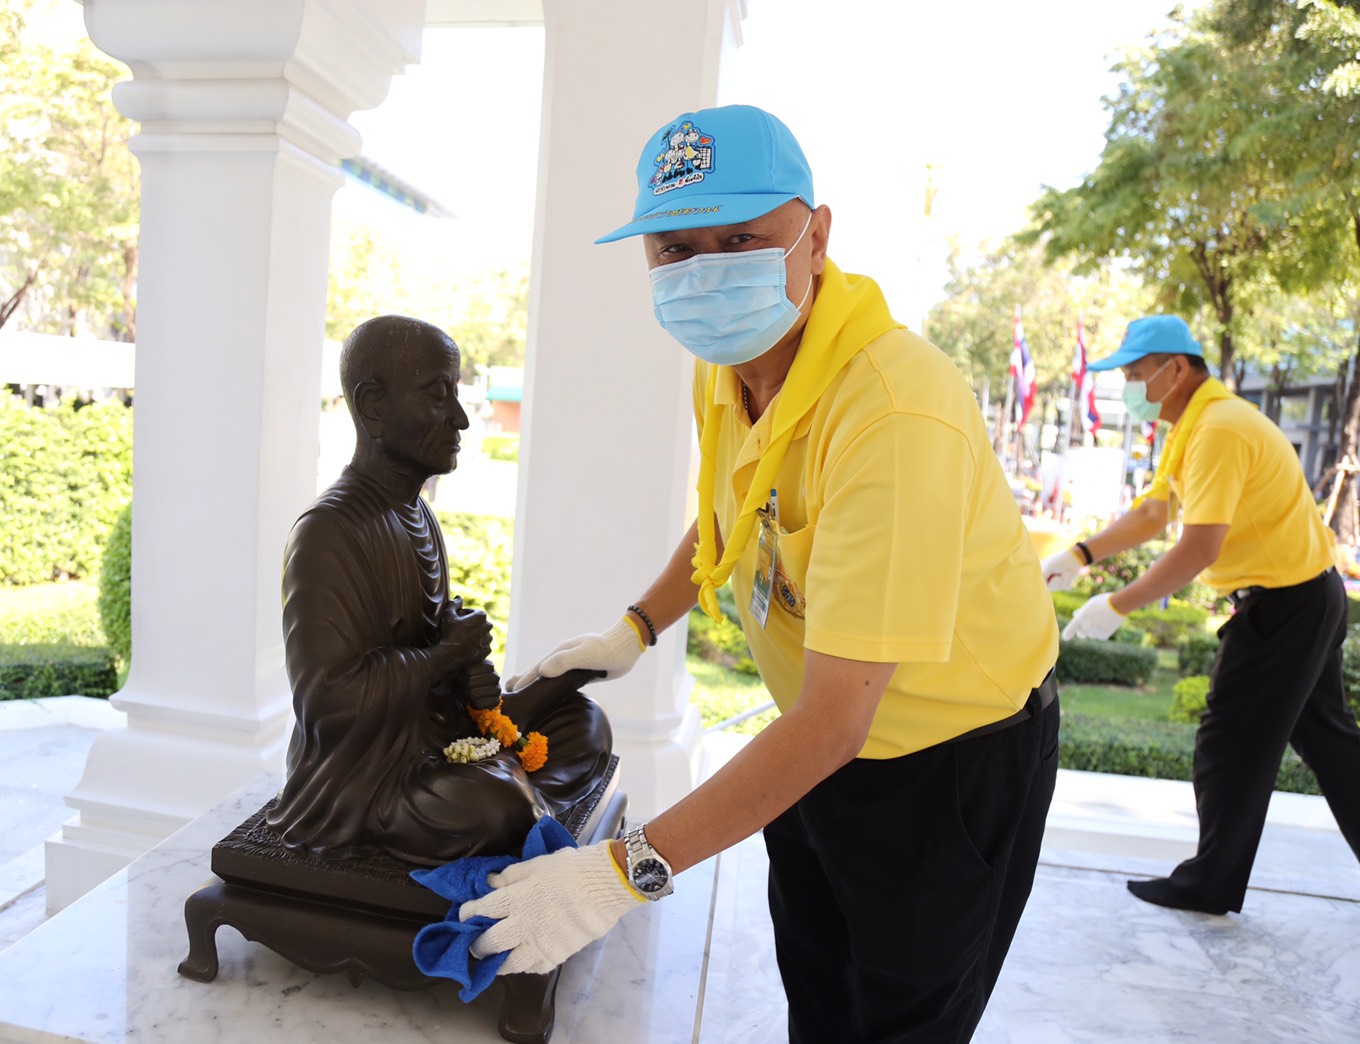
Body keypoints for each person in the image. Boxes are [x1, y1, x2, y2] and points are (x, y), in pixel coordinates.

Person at [461, 105, 1060, 1043]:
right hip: (812, 746)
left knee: (902, 1014)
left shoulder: (893, 412)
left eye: (740, 238)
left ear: (815, 237)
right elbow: (735, 514)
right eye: (674, 247)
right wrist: (636, 627)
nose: (705, 271)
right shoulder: (735, 360)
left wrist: (617, 875)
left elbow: (837, 721)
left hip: (941, 761)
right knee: (817, 984)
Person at [267, 315, 614, 866]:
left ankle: (526, 808)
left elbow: (432, 655)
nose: (460, 418)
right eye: (438, 394)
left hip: (440, 742)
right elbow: (328, 700)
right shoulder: (328, 532)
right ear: (374, 406)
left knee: (585, 724)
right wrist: (444, 656)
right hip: (367, 779)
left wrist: (465, 670)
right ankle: (523, 809)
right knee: (494, 804)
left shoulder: (418, 514)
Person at [1045, 314, 1360, 915]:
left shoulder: (1219, 429)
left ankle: (1209, 884)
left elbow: (1198, 549)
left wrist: (1117, 604)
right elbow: (1154, 512)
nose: (1131, 388)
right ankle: (1212, 880)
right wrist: (1080, 556)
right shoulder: (1196, 424)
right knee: (1329, 742)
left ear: (1176, 369)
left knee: (1230, 742)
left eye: (1136, 375)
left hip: (1286, 604)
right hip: (1304, 597)